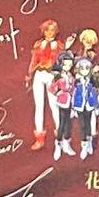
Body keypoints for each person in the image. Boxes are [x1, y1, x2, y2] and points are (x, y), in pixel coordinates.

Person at [24, 19, 67, 151]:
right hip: (39, 74)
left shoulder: (59, 45)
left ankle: (60, 136)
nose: (49, 32)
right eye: (47, 30)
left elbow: (61, 62)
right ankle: (39, 138)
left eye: (52, 30)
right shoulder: (38, 44)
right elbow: (33, 60)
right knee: (39, 106)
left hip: (51, 75)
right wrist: (29, 74)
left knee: (54, 105)